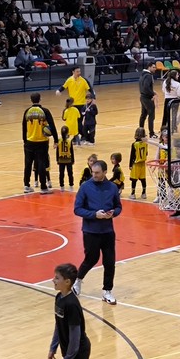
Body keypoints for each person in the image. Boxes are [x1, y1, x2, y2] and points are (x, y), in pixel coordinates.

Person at [74, 158, 122, 305]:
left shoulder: (113, 187)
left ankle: (107, 291)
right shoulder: (85, 187)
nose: (94, 175)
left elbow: (119, 206)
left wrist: (113, 213)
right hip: (91, 231)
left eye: (97, 172)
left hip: (107, 231)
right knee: (91, 259)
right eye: (93, 172)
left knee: (109, 262)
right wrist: (94, 215)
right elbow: (77, 209)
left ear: (105, 172)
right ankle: (78, 280)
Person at [22, 92, 58, 194]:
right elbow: (52, 125)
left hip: (29, 141)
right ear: (40, 99)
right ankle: (43, 187)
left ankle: (26, 185)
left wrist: (25, 140)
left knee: (28, 164)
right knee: (41, 163)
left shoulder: (27, 111)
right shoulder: (45, 111)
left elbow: (24, 127)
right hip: (42, 142)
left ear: (31, 100)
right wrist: (55, 139)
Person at [129, 128, 148, 199]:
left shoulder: (134, 144)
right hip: (142, 164)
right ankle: (144, 193)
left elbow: (132, 156)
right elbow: (146, 153)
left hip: (136, 164)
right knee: (143, 179)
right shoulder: (145, 144)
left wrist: (130, 165)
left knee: (134, 180)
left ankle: (133, 194)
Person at [137, 63, 157, 131]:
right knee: (151, 116)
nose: (155, 69)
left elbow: (143, 86)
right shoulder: (148, 76)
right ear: (149, 67)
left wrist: (152, 91)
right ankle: (151, 133)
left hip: (142, 96)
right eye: (153, 67)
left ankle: (140, 131)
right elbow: (146, 86)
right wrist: (152, 94)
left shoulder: (142, 74)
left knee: (143, 115)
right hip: (147, 98)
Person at [57, 127, 75, 191]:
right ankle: (71, 185)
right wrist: (73, 160)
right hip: (68, 159)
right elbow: (71, 151)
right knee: (70, 173)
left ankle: (62, 186)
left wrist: (57, 159)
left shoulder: (59, 141)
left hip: (61, 159)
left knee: (61, 173)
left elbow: (57, 151)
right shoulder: (69, 141)